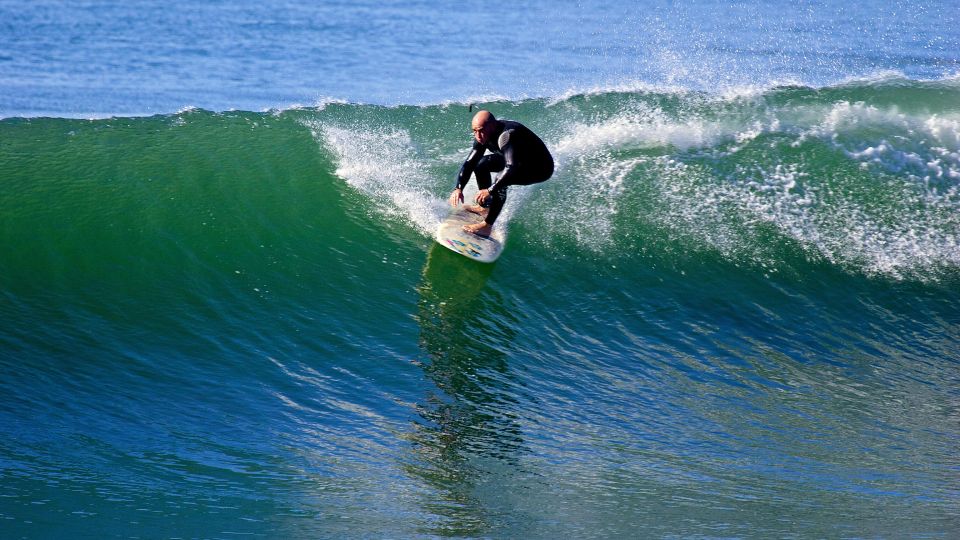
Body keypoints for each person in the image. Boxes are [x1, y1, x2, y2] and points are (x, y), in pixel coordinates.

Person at [449, 110, 554, 236]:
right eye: (474, 131)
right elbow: (470, 162)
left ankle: (487, 226)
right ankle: (485, 207)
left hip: (539, 168)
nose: (478, 135)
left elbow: (511, 167)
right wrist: (458, 188)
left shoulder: (507, 135)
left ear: (492, 126)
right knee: (480, 164)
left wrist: (490, 190)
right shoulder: (482, 135)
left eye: (481, 130)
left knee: (501, 181)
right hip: (517, 160)